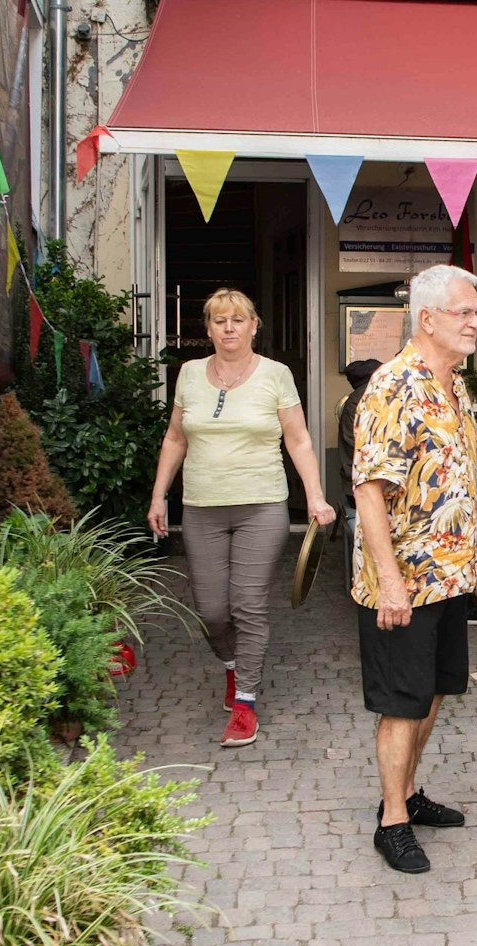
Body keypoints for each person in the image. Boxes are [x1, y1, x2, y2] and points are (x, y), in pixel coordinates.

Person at [352, 264, 477, 874]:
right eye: (465, 312)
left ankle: (408, 795)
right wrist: (390, 581)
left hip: (451, 573)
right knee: (402, 701)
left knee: (436, 691)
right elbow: (368, 492)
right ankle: (391, 822)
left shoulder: (456, 386)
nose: (475, 323)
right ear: (428, 319)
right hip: (405, 581)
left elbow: (463, 483)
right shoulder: (394, 387)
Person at [147, 288, 335, 748]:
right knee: (211, 610)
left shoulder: (276, 375)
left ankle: (246, 703)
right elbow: (175, 438)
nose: (229, 328)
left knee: (247, 604)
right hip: (201, 507)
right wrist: (158, 497)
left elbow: (299, 440)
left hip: (261, 505)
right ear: (207, 329)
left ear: (254, 326)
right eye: (219, 320)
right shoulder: (189, 375)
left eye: (238, 320)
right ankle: (233, 668)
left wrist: (315, 496)